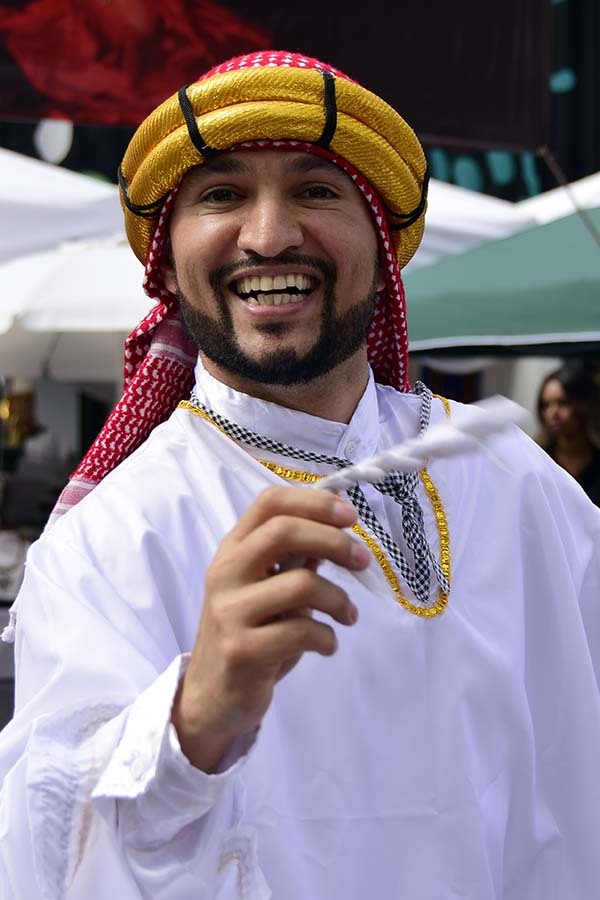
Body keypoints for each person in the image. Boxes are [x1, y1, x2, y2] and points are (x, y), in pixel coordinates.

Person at [0, 51, 599, 900]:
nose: (270, 234)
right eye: (221, 194)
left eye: (317, 190)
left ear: (382, 245)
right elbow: (41, 847)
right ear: (166, 263)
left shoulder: (519, 482)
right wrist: (189, 721)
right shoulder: (111, 542)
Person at [537, 363, 600, 506]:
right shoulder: (539, 462)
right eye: (546, 405)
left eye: (563, 403)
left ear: (583, 404)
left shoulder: (596, 462)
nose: (553, 413)